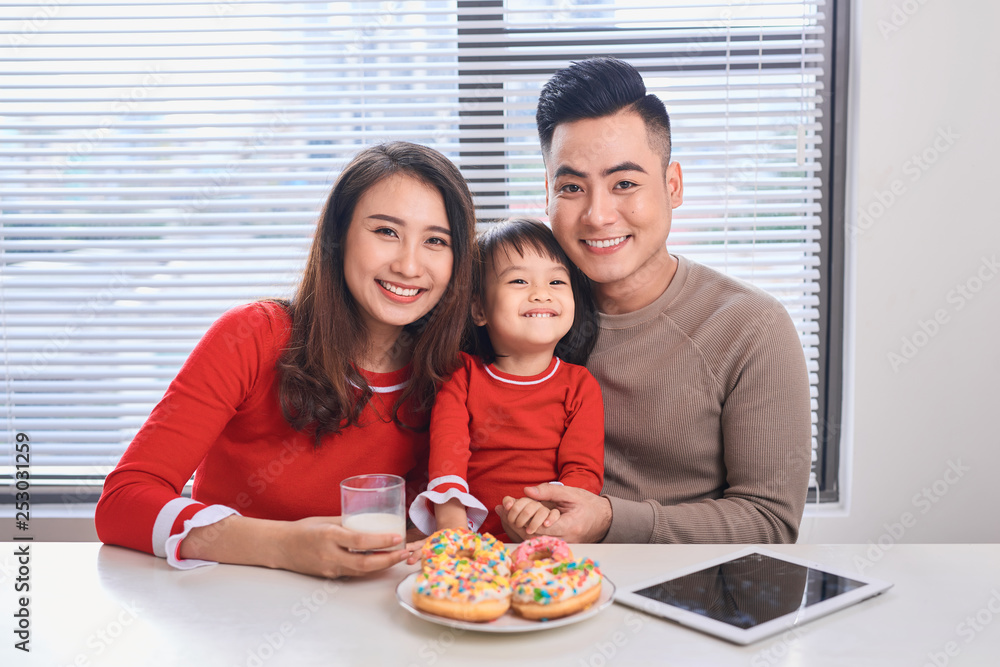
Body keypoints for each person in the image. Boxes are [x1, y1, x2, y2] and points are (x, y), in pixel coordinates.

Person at [95, 141, 477, 578]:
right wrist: (285, 546)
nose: (409, 266)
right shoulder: (253, 336)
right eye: (386, 231)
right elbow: (121, 502)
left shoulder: (453, 373)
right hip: (225, 611)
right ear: (338, 237)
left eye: (435, 240)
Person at [496, 57, 812, 544]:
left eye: (624, 184)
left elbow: (769, 523)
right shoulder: (516, 316)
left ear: (673, 186)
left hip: (687, 599)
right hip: (531, 590)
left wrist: (608, 520)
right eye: (572, 188)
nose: (598, 215)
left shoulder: (751, 327)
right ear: (547, 197)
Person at [407, 219, 604, 541]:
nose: (541, 294)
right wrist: (454, 531)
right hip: (469, 539)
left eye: (556, 282)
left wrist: (547, 510)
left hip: (546, 536)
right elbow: (448, 458)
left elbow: (583, 471)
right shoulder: (461, 375)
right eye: (518, 280)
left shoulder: (580, 385)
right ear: (479, 309)